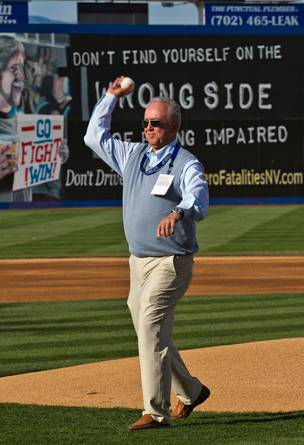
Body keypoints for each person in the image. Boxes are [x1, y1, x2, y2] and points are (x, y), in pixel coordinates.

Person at [84, 76, 211, 431]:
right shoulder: (134, 155)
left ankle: (156, 412)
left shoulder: (187, 162)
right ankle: (192, 390)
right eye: (145, 122)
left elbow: (197, 197)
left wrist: (179, 212)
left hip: (171, 262)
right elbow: (95, 137)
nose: (148, 128)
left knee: (151, 326)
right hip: (137, 261)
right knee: (149, 331)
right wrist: (110, 96)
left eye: (155, 123)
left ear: (173, 126)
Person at [0, 35, 29, 202]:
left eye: (22, 68)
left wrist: (56, 156)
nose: (22, 76)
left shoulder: (25, 122)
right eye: (14, 69)